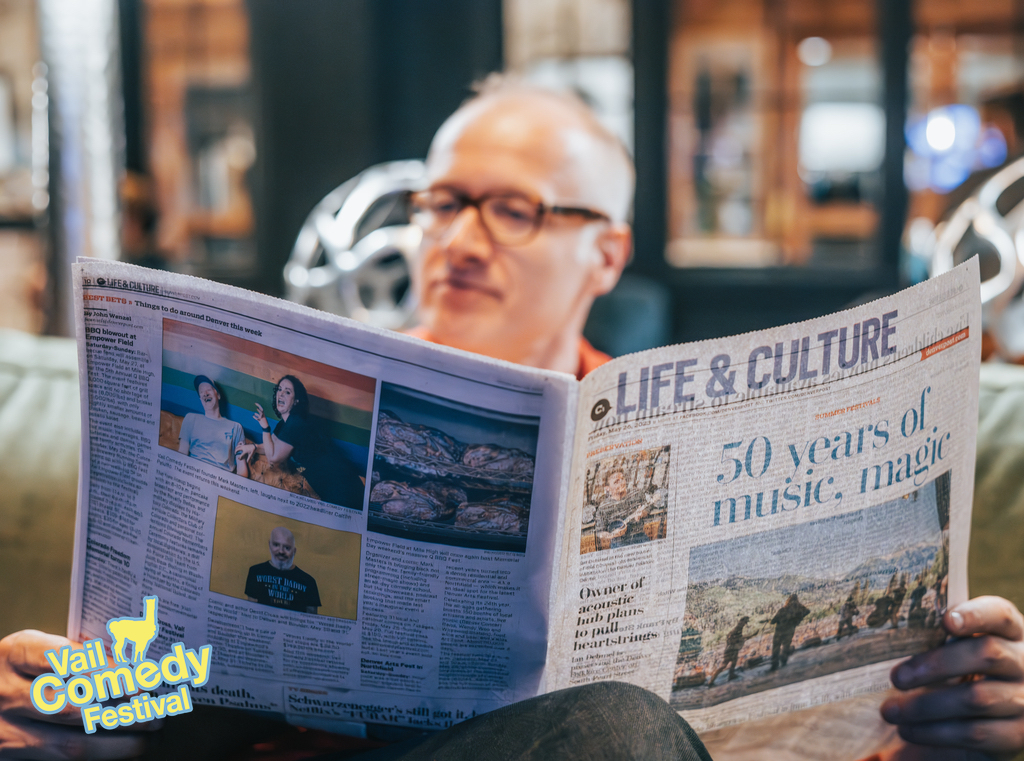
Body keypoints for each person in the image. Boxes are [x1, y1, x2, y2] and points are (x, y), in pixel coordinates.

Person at [3, 76, 1024, 761]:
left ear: (607, 255)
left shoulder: (658, 435)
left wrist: (952, 708)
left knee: (620, 730)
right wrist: (83, 693)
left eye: (515, 208)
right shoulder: (308, 395)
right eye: (442, 202)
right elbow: (190, 673)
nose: (459, 237)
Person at [248, 374, 366, 509]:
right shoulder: (284, 424)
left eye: (287, 392)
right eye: (279, 390)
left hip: (342, 485)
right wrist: (253, 446)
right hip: (327, 486)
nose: (280, 394)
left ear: (296, 401)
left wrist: (265, 428)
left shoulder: (296, 423)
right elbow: (272, 445)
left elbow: (274, 459)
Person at [177, 374, 249, 476]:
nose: (205, 394)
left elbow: (242, 470)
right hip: (194, 475)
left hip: (221, 481)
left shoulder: (236, 427)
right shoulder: (190, 418)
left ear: (218, 395)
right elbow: (181, 455)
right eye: (201, 392)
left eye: (208, 390)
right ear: (200, 399)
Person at [245, 527, 321, 614]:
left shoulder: (309, 582)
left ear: (294, 551)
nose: (281, 551)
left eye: (287, 548)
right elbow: (250, 612)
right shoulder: (256, 572)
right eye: (276, 545)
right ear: (269, 545)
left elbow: (311, 620)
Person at [593, 467, 651, 549]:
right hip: (619, 545)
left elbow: (649, 507)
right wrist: (612, 535)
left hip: (640, 539)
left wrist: (642, 513)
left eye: (622, 479)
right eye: (616, 482)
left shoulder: (636, 493)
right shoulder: (603, 508)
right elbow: (600, 532)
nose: (621, 483)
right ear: (607, 488)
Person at [770, 594, 810, 671]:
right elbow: (807, 611)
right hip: (790, 630)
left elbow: (773, 621)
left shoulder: (782, 610)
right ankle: (783, 660)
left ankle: (774, 664)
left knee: (776, 647)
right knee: (786, 645)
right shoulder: (799, 608)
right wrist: (799, 618)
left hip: (779, 631)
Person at [708, 616, 750, 686]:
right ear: (742, 621)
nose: (745, 624)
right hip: (731, 649)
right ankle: (711, 680)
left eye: (746, 622)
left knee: (734, 662)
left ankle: (731, 675)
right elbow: (730, 637)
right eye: (745, 622)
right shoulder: (737, 629)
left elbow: (739, 637)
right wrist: (737, 641)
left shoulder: (739, 629)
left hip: (734, 649)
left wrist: (743, 638)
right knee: (724, 665)